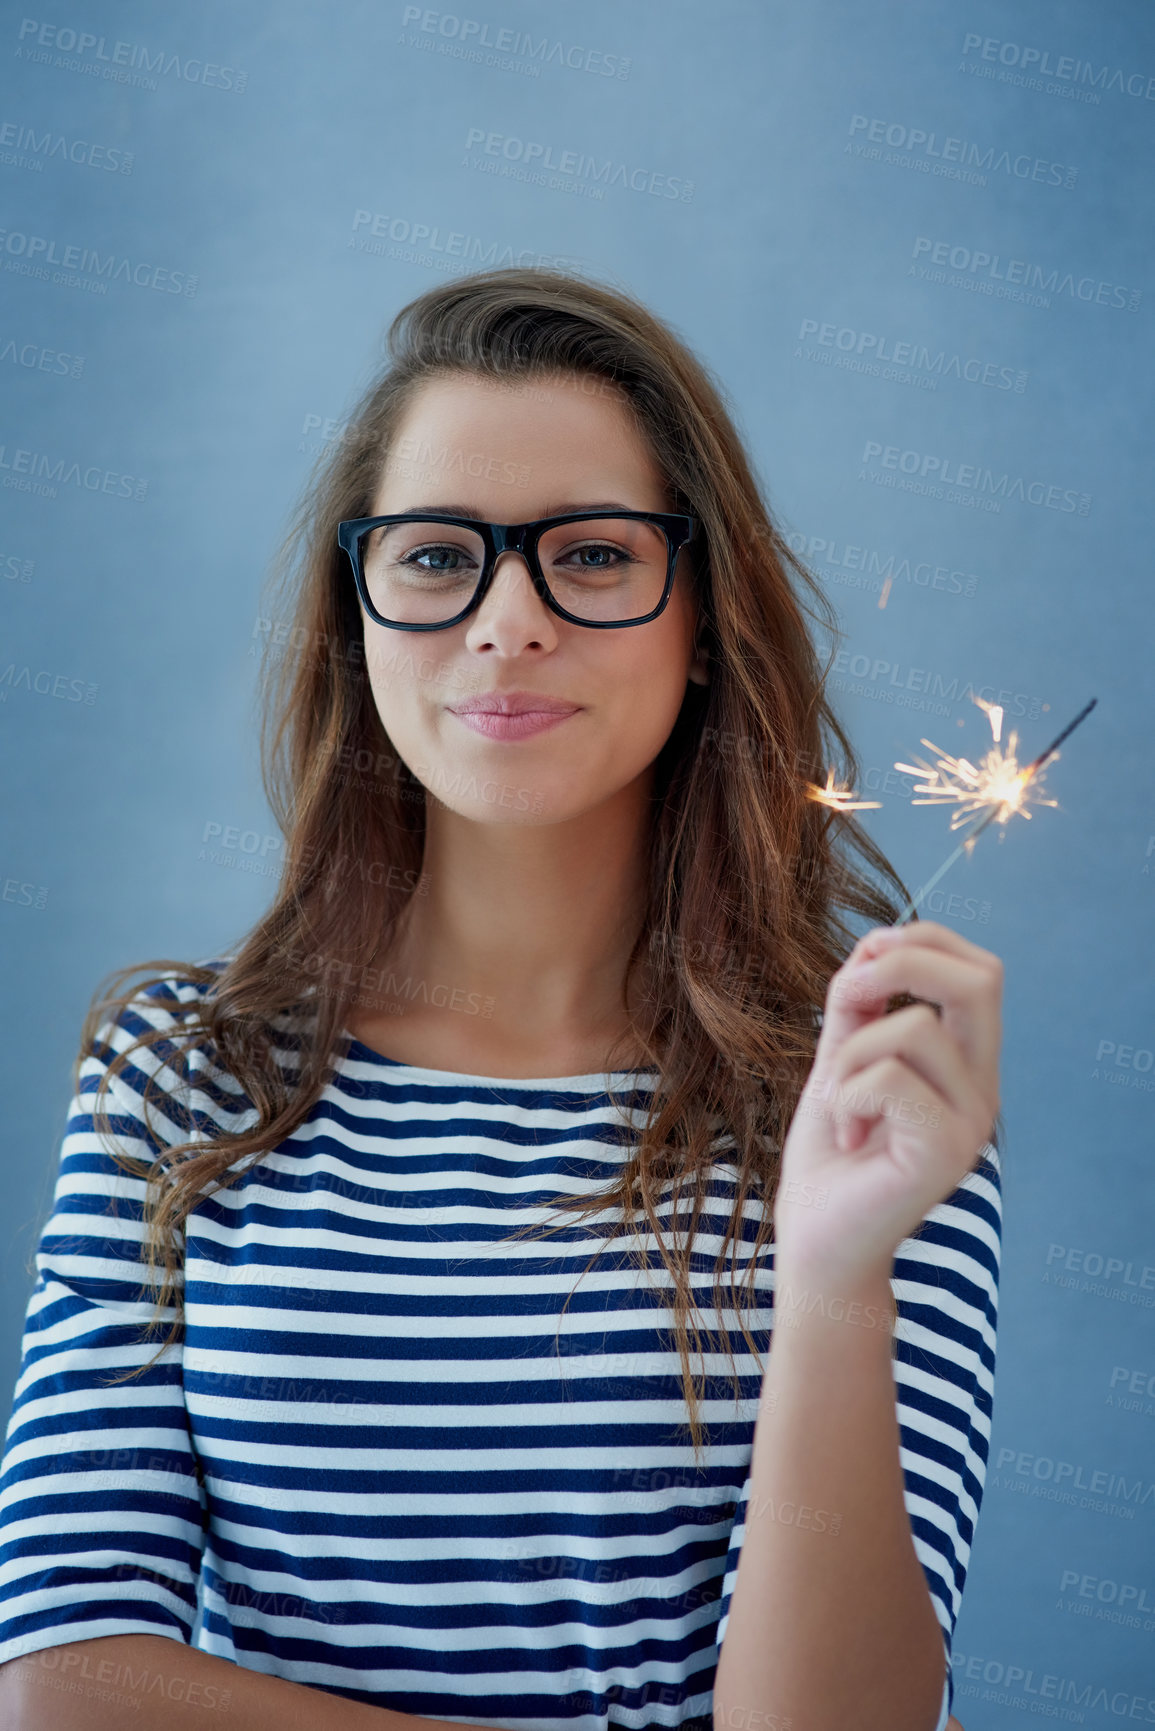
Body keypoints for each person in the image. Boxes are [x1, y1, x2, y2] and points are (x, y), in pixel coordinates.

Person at [0, 267, 1001, 1731]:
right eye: (433, 557)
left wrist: (839, 1273)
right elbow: (65, 1686)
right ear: (358, 614)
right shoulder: (181, 1075)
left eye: (592, 556)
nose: (507, 622)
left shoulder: (863, 1106)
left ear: (705, 614)